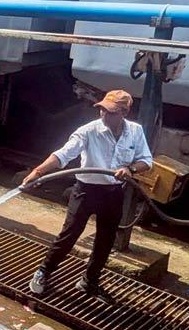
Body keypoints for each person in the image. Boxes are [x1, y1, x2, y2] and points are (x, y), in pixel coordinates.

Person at [23, 90, 153, 300]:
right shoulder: (88, 131)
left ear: (124, 112)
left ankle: (89, 281)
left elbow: (146, 161)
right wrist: (38, 171)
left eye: (110, 112)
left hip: (113, 193)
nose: (103, 115)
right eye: (102, 109)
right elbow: (63, 154)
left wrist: (130, 170)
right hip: (86, 191)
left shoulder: (135, 132)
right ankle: (43, 272)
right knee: (69, 235)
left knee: (105, 240)